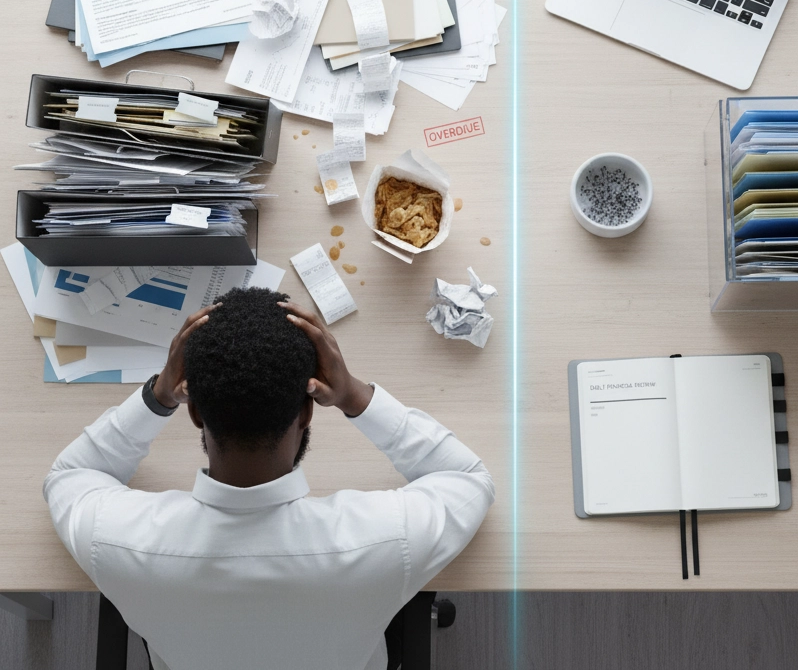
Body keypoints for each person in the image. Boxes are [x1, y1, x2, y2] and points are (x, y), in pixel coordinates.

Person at [43, 287, 495, 670]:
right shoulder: (385, 538)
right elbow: (466, 478)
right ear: (307, 410)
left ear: (195, 411)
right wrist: (355, 394)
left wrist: (159, 395)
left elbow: (72, 474)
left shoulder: (120, 539)